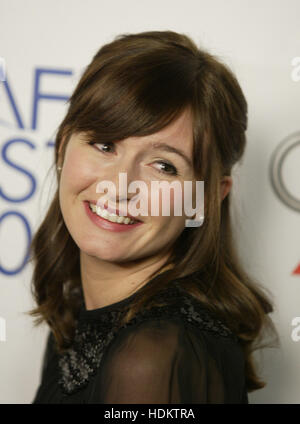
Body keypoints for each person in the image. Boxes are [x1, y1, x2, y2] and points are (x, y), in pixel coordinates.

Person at [28, 30, 279, 404]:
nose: (120, 185)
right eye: (105, 144)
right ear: (64, 145)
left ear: (205, 198)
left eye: (163, 166)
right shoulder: (80, 313)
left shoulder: (151, 359)